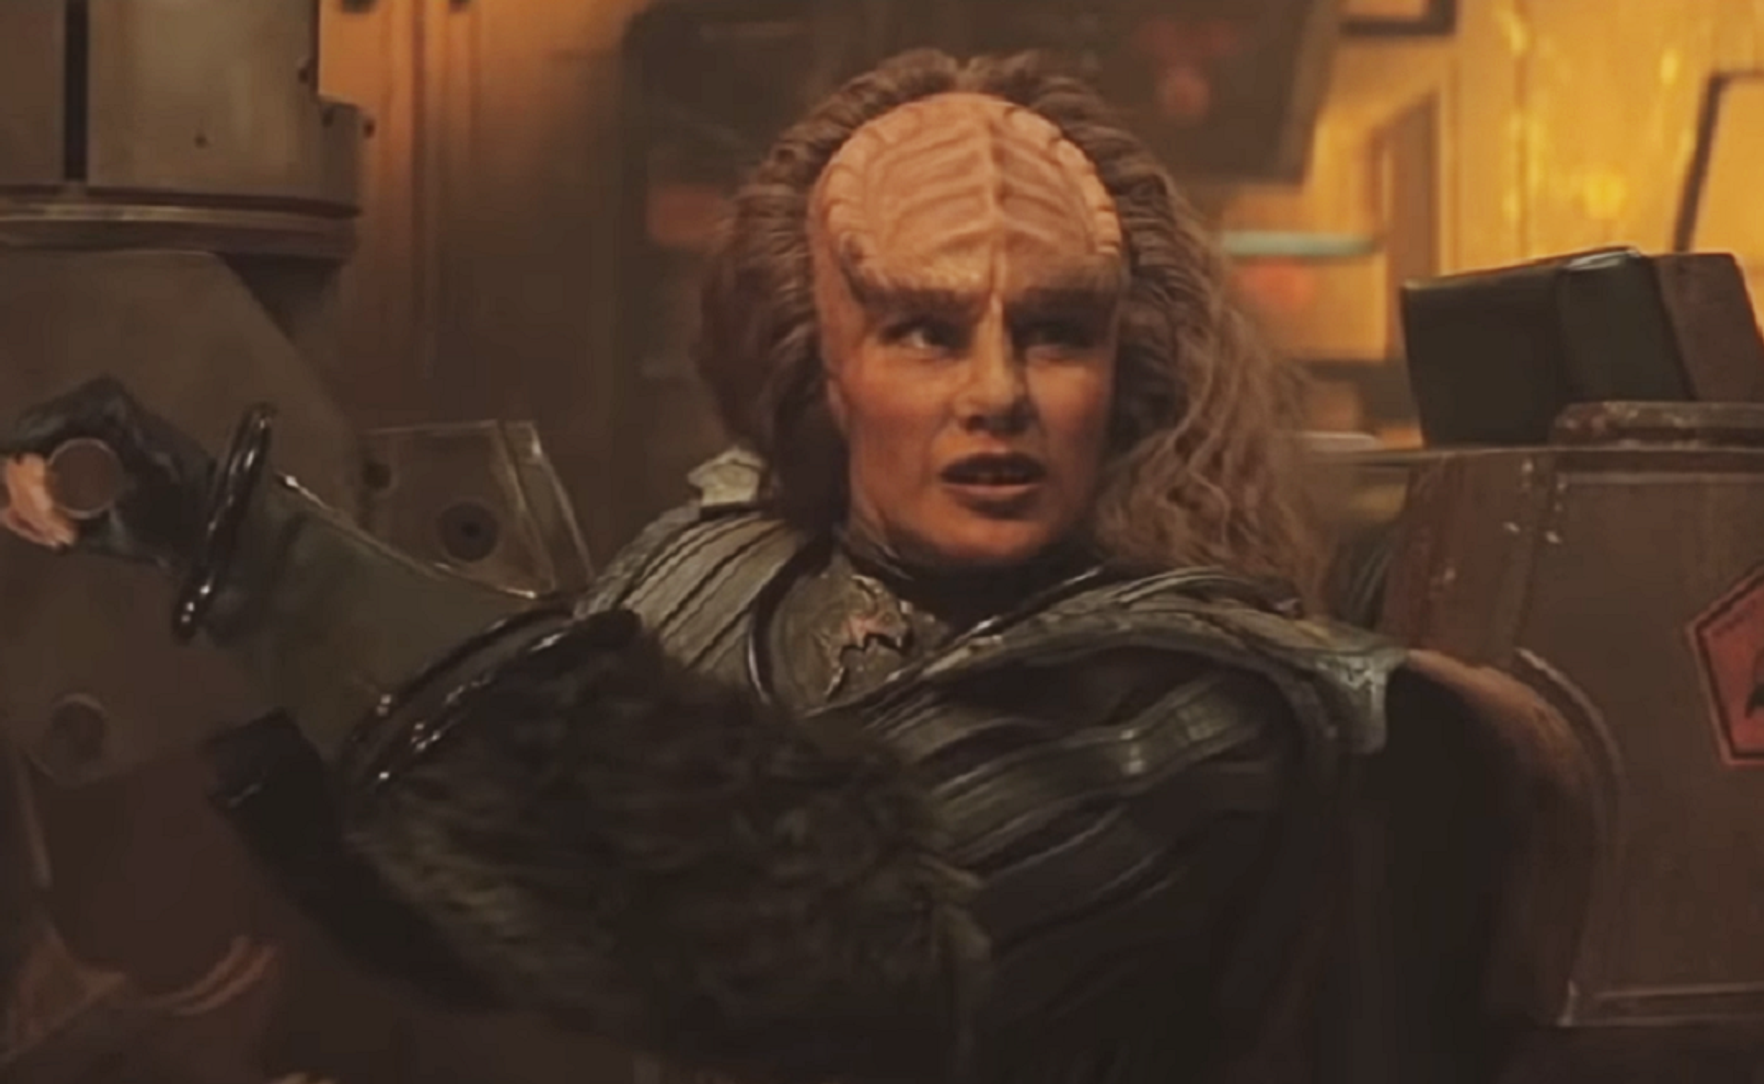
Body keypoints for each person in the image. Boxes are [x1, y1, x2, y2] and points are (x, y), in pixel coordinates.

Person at [2, 50, 1404, 1084]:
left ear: (1124, 365)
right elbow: (495, 930)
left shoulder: (1197, 703)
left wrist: (266, 562)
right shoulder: (719, 560)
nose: (997, 393)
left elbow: (797, 947)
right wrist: (262, 695)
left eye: (1055, 332)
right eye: (924, 330)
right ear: (820, 356)